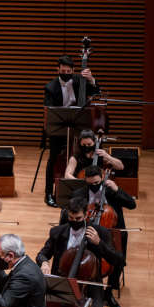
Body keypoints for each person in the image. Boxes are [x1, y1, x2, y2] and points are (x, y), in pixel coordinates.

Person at [35, 198, 124, 307]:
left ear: (86, 216)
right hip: (62, 280)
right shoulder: (58, 232)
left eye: (78, 219)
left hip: (88, 282)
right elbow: (42, 254)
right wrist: (44, 263)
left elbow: (118, 260)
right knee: (42, 301)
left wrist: (99, 244)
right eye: (71, 218)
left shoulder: (100, 233)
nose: (74, 222)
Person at [68, 165, 135, 307]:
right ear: (85, 180)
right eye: (89, 183)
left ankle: (109, 292)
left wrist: (117, 189)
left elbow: (132, 204)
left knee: (116, 258)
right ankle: (85, 288)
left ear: (102, 178)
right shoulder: (79, 193)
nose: (93, 186)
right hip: (87, 229)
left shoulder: (111, 191)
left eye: (97, 183)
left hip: (111, 229)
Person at [42, 55, 100, 207]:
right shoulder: (50, 87)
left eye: (69, 71)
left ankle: (88, 187)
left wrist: (91, 79)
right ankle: (48, 192)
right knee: (53, 159)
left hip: (79, 127)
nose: (66, 73)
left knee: (87, 152)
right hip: (60, 127)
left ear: (73, 70)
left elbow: (95, 92)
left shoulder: (79, 80)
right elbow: (49, 111)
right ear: (58, 69)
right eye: (63, 70)